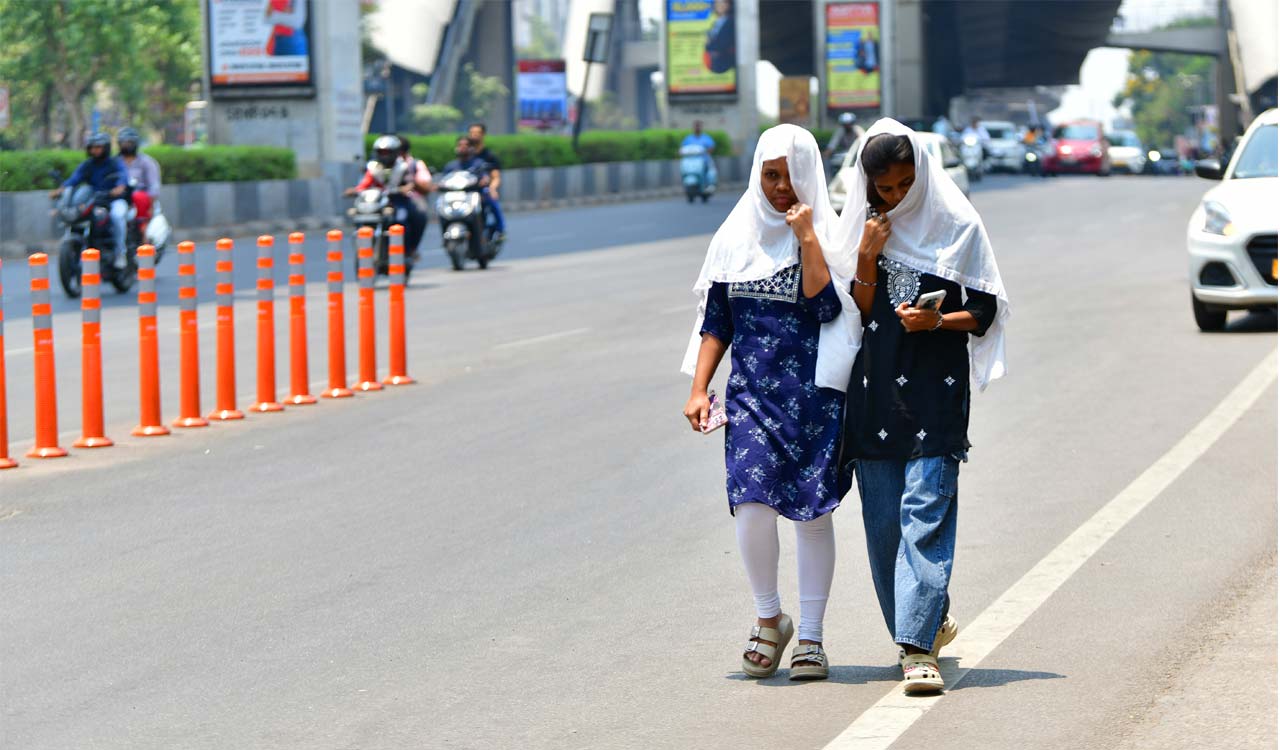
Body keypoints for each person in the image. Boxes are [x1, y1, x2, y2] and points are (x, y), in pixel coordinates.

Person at [831, 119, 1009, 694]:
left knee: (924, 516)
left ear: (923, 172)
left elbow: (982, 311)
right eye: (883, 188)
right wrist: (866, 255)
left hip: (935, 389)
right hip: (874, 390)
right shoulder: (862, 226)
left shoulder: (958, 225)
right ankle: (925, 617)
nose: (895, 196)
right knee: (884, 528)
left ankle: (915, 650)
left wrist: (937, 320)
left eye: (905, 183)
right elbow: (853, 312)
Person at [681, 124, 859, 681]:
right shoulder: (734, 239)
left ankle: (810, 637)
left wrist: (806, 238)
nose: (781, 187)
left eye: (790, 176)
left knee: (811, 515)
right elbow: (717, 324)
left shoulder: (824, 236)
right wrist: (697, 387)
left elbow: (826, 307)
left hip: (814, 400)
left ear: (810, 175)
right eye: (770, 175)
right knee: (752, 504)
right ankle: (767, 619)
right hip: (752, 399)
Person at [49, 133, 129, 269]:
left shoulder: (115, 163)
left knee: (117, 217)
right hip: (94, 200)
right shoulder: (87, 165)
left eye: (98, 147)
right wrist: (60, 190)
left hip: (113, 200)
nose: (95, 150)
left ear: (106, 148)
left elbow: (123, 177)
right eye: (92, 147)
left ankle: (120, 253)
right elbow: (74, 180)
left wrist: (120, 187)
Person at [344, 135, 428, 258]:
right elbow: (365, 183)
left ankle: (407, 251)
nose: (384, 155)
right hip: (378, 202)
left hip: (397, 201)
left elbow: (410, 182)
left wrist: (406, 188)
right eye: (381, 152)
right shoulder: (373, 167)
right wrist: (355, 190)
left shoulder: (403, 166)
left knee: (403, 220)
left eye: (387, 152)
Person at [116, 127, 160, 235]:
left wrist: (151, 205)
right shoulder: (114, 162)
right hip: (119, 198)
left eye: (129, 142)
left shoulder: (147, 162)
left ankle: (143, 233)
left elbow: (154, 186)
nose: (126, 145)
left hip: (140, 198)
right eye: (123, 142)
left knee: (138, 197)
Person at [467, 123, 506, 242]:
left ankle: (500, 230)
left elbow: (496, 177)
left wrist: (492, 188)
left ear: (483, 135)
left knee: (492, 202)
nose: (474, 136)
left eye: (477, 133)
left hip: (483, 190)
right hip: (467, 190)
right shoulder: (466, 155)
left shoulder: (489, 156)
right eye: (472, 133)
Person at [682, 120, 719, 189]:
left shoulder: (706, 138)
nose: (697, 128)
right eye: (696, 126)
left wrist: (706, 151)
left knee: (709, 170)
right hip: (692, 161)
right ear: (693, 127)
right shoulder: (688, 139)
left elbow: (711, 147)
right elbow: (683, 148)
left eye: (698, 126)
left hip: (704, 160)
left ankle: (709, 184)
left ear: (701, 127)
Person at [703, 0, 735, 74]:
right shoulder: (717, 21)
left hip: (723, 62)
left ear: (728, 5)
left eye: (723, 3)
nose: (719, 6)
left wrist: (710, 43)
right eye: (717, 3)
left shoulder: (731, 21)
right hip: (714, 63)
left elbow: (724, 42)